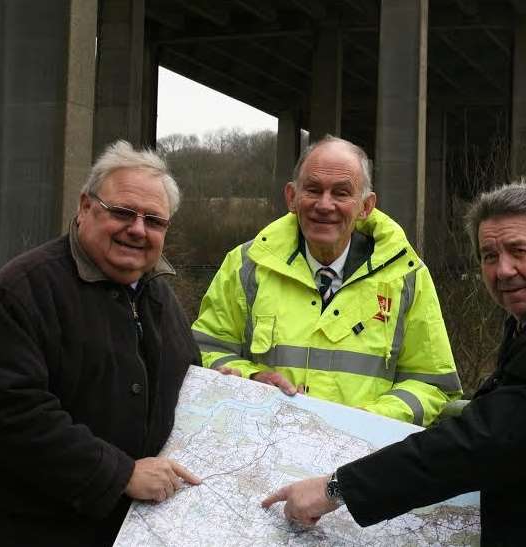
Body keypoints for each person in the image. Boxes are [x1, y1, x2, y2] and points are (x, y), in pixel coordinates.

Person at [262, 182, 526, 546]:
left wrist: (337, 488)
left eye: (518, 251)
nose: (503, 271)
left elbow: (476, 445)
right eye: (489, 256)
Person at [0, 141, 203, 547]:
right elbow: (11, 414)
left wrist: (222, 387)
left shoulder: (160, 293)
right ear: (85, 206)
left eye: (154, 220)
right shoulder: (25, 290)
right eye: (123, 213)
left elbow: (181, 379)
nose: (137, 229)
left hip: (129, 530)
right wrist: (121, 474)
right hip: (35, 529)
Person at [192, 135, 462, 426]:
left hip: (362, 461)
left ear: (366, 206)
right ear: (291, 197)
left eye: (341, 193)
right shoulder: (245, 265)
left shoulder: (406, 276)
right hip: (262, 458)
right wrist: (251, 378)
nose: (324, 204)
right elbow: (204, 351)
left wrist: (371, 420)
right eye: (313, 189)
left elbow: (433, 383)